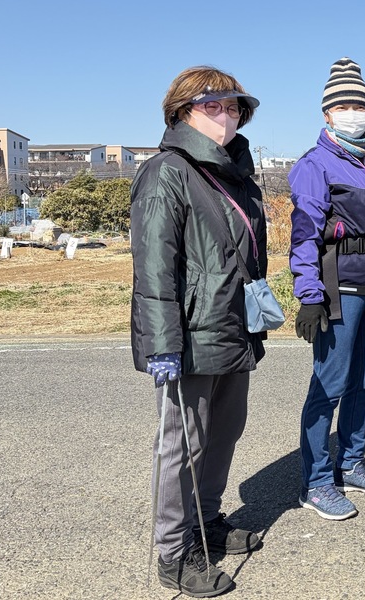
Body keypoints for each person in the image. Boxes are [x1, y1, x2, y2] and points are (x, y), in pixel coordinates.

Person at [131, 66, 265, 597]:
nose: (227, 115)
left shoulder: (237, 176)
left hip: (233, 326)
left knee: (225, 432)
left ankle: (206, 523)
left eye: (234, 107)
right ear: (183, 110)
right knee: (182, 445)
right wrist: (162, 343)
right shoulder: (166, 171)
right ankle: (172, 552)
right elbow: (154, 268)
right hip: (188, 333)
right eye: (215, 105)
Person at [289, 58, 365, 520]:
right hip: (336, 284)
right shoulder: (313, 165)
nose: (352, 111)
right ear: (326, 114)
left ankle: (352, 462)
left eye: (359, 103)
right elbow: (303, 235)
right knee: (330, 383)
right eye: (343, 104)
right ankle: (316, 481)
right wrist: (308, 295)